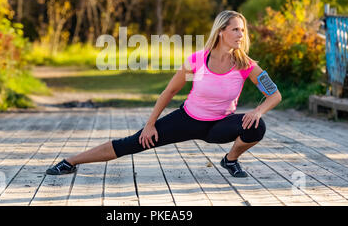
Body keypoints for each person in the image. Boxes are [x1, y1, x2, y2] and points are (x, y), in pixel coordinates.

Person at [46, 10, 282, 178]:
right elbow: (170, 91)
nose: (241, 35)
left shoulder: (246, 65)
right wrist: (150, 125)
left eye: (242, 30)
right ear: (221, 32)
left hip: (219, 126)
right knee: (132, 143)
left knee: (256, 126)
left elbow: (275, 95)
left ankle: (230, 160)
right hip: (188, 120)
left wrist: (258, 110)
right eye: (235, 30)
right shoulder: (198, 61)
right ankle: (70, 162)